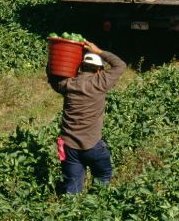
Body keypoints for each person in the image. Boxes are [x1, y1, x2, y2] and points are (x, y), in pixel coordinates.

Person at [47, 41, 126, 194]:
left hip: (69, 146)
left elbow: (52, 77)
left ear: (81, 67)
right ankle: (93, 206)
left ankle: (71, 212)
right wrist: (99, 51)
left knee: (72, 187)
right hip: (92, 145)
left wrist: (54, 57)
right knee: (103, 175)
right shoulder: (100, 82)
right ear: (99, 70)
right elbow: (120, 65)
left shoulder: (68, 85)